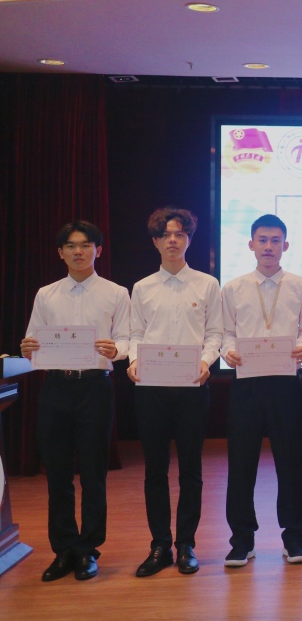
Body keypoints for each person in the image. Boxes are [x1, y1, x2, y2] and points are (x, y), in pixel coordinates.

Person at [20, 221, 131, 582]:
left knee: (94, 473)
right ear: (61, 253)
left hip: (95, 388)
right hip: (56, 388)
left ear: (98, 250)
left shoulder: (116, 293)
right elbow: (32, 340)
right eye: (71, 246)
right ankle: (64, 549)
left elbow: (127, 338)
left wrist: (117, 349)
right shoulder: (46, 294)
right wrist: (28, 347)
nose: (78, 251)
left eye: (85, 245)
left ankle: (88, 550)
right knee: (57, 474)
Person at [127, 207, 223, 576]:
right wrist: (134, 361)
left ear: (188, 240)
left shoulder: (207, 284)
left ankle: (186, 544)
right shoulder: (142, 287)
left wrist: (206, 362)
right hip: (151, 388)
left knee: (191, 469)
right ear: (155, 241)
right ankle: (159, 545)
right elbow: (136, 334)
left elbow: (214, 333)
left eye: (179, 234)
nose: (172, 240)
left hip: (192, 387)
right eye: (165, 235)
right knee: (154, 469)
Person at [220, 214, 302, 567]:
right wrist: (228, 351)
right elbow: (226, 333)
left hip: (286, 383)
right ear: (251, 244)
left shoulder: (301, 286)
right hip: (246, 383)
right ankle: (242, 540)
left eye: (276, 240)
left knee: (290, 462)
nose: (269, 247)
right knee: (241, 463)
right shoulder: (233, 288)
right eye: (263, 240)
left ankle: (294, 538)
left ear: (285, 245)